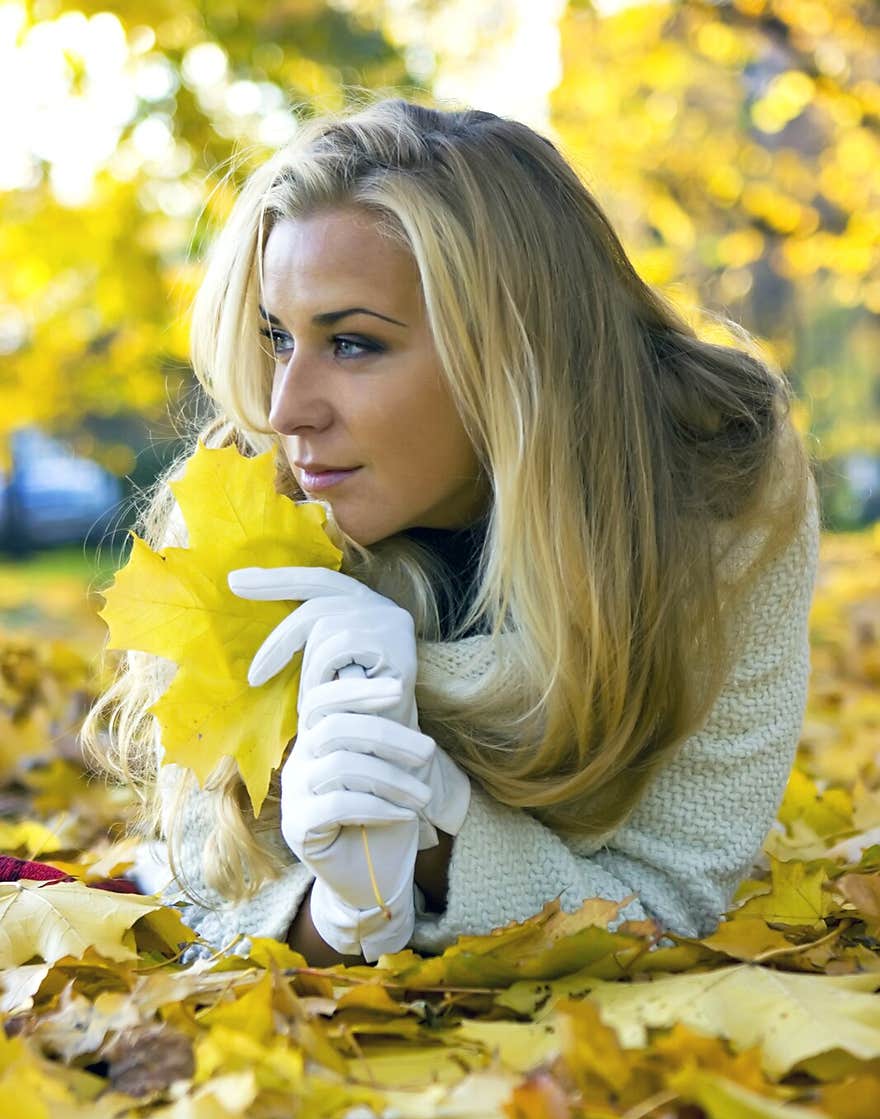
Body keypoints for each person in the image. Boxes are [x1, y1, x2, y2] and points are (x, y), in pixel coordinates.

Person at [81, 95, 820, 969]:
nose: (287, 409)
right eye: (278, 338)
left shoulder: (712, 483)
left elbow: (677, 900)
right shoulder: (248, 506)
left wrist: (437, 831)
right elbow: (215, 898)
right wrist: (353, 902)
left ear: (512, 352)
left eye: (351, 344)